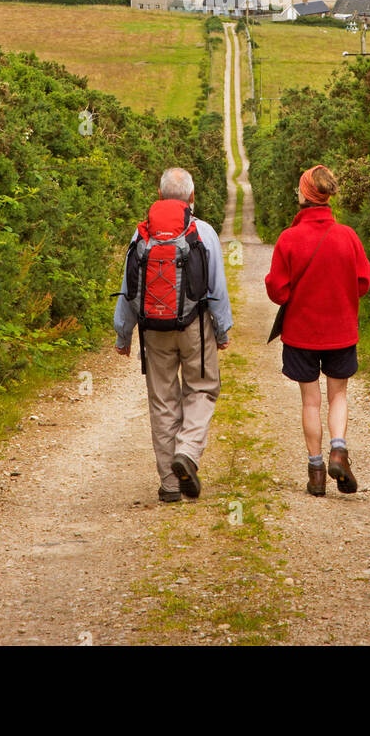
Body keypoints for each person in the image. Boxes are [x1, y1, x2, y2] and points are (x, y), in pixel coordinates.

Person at [114, 166, 232, 502]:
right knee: (202, 389)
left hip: (154, 331)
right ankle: (188, 452)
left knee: (163, 402)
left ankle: (169, 484)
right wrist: (221, 331)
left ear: (160, 194)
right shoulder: (203, 232)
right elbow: (217, 290)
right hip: (195, 328)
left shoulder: (141, 236)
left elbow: (128, 290)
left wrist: (123, 335)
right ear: (192, 198)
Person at [265, 164, 370, 496]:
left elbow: (278, 291)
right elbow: (363, 281)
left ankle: (316, 472)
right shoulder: (348, 237)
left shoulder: (289, 238)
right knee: (338, 394)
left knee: (311, 401)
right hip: (340, 333)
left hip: (301, 335)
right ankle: (338, 449)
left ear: (304, 195)